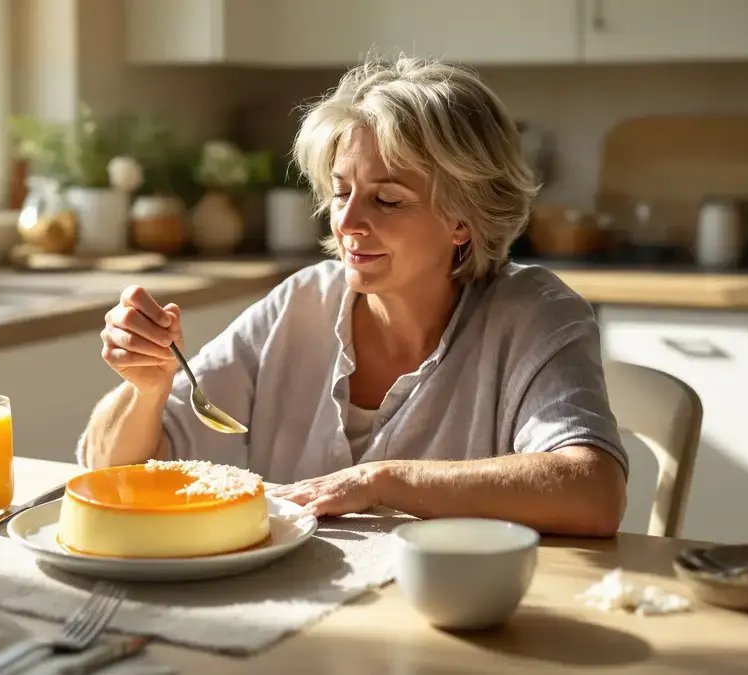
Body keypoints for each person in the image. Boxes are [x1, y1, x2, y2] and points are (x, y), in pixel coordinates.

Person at [78, 55, 628, 537]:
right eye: (342, 192)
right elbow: (110, 473)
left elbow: (594, 491)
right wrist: (146, 390)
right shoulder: (299, 304)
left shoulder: (534, 314)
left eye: (387, 200)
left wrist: (382, 481)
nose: (347, 222)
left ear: (462, 220)